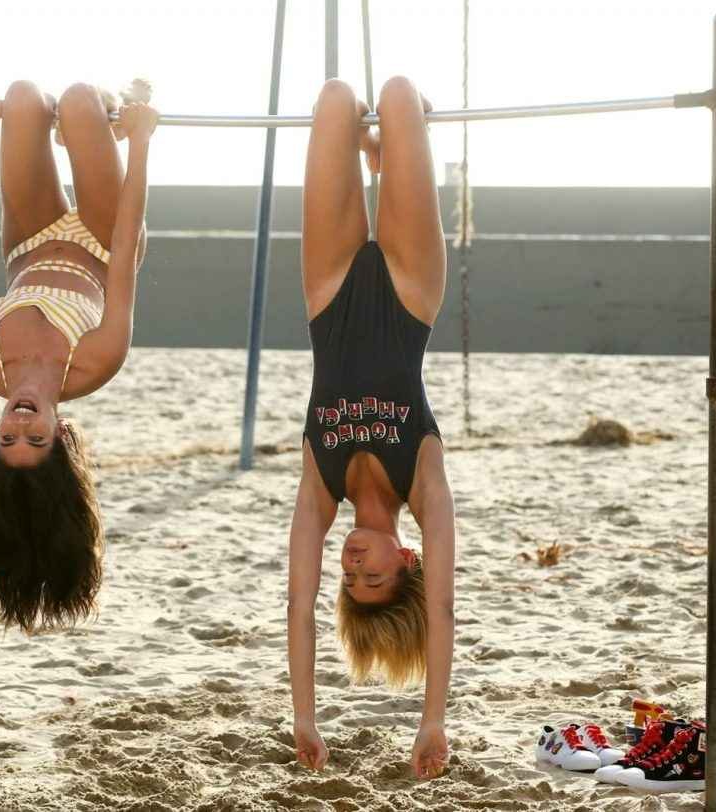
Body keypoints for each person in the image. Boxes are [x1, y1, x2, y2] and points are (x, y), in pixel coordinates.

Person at [286, 77, 455, 780]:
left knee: (332, 98)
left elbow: (297, 608)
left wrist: (303, 713)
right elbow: (443, 611)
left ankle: (377, 159)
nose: (353, 565)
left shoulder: (320, 495)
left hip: (326, 296)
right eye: (373, 575)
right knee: (397, 94)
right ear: (406, 560)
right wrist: (433, 719)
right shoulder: (426, 489)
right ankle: (389, 157)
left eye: (349, 578)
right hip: (412, 295)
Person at [0, 80, 156, 633]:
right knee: (81, 99)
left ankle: (81, 135)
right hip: (106, 241)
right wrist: (141, 144)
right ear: (58, 434)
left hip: (29, 240)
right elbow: (126, 251)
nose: (19, 424)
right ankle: (101, 129)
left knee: (22, 99)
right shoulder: (94, 363)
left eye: (7, 439)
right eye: (34, 438)